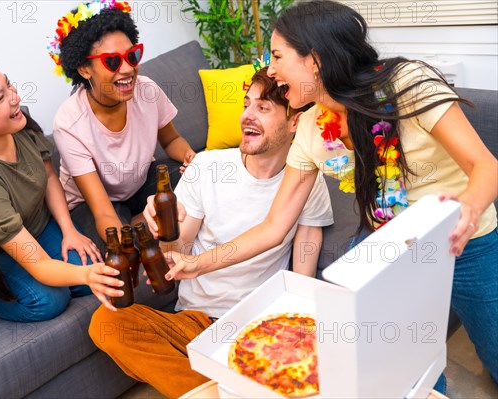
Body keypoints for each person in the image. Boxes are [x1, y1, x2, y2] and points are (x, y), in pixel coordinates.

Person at [165, 0, 498, 390]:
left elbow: (485, 165)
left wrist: (470, 208)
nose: (270, 69)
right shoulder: (308, 128)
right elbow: (274, 227)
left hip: (467, 243)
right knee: (400, 365)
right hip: (385, 248)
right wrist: (199, 263)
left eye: (277, 55)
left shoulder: (408, 83)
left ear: (316, 60)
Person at [87, 67, 334, 398]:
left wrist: (303, 339)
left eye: (263, 108)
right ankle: (233, 388)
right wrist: (165, 228)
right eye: (246, 104)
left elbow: (303, 280)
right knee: (106, 323)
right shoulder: (207, 166)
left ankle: (226, 384)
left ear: (294, 123)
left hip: (259, 326)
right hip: (196, 323)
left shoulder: (307, 182)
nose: (247, 116)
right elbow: (179, 255)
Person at [0, 47, 129, 322]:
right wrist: (83, 274)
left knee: (93, 267)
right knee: (50, 300)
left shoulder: (19, 127)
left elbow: (50, 178)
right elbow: (42, 264)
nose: (14, 98)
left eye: (8, 84)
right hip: (3, 251)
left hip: (40, 228)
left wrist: (69, 230)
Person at [48, 0, 196, 255]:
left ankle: (153, 218)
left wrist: (191, 158)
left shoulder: (147, 90)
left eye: (132, 55)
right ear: (84, 69)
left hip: (138, 184)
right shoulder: (69, 123)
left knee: (198, 184)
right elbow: (103, 211)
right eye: (112, 62)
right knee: (115, 242)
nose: (128, 68)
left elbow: (171, 141)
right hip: (93, 203)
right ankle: (153, 220)